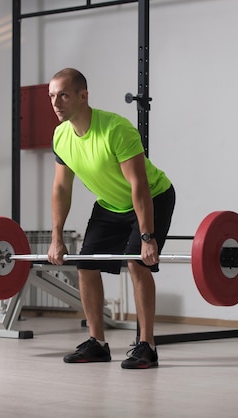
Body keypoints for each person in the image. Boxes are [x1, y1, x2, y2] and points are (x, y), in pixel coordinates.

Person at [47, 68, 175, 369]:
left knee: (137, 262)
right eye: (52, 96)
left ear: (83, 96)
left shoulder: (116, 129)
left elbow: (139, 185)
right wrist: (56, 236)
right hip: (109, 205)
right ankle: (98, 343)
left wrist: (146, 238)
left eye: (63, 95)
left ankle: (147, 346)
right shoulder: (61, 135)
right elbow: (61, 188)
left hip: (153, 196)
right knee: (85, 265)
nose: (56, 102)